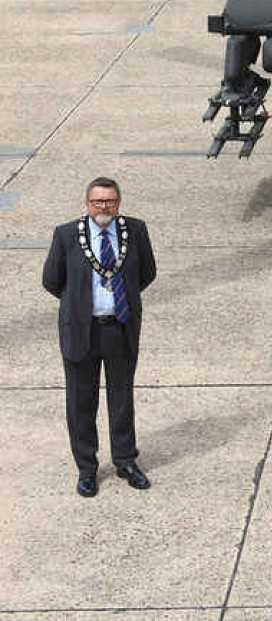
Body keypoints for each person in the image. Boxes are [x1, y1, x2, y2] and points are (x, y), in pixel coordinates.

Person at [42, 177, 157, 497]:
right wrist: (79, 304)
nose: (103, 207)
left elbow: (146, 272)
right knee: (81, 401)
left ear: (118, 203)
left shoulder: (135, 230)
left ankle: (125, 460)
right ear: (87, 204)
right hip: (82, 330)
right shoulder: (66, 235)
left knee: (121, 398)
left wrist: (120, 300)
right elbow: (52, 279)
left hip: (119, 327)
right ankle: (87, 469)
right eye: (97, 202)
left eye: (109, 201)